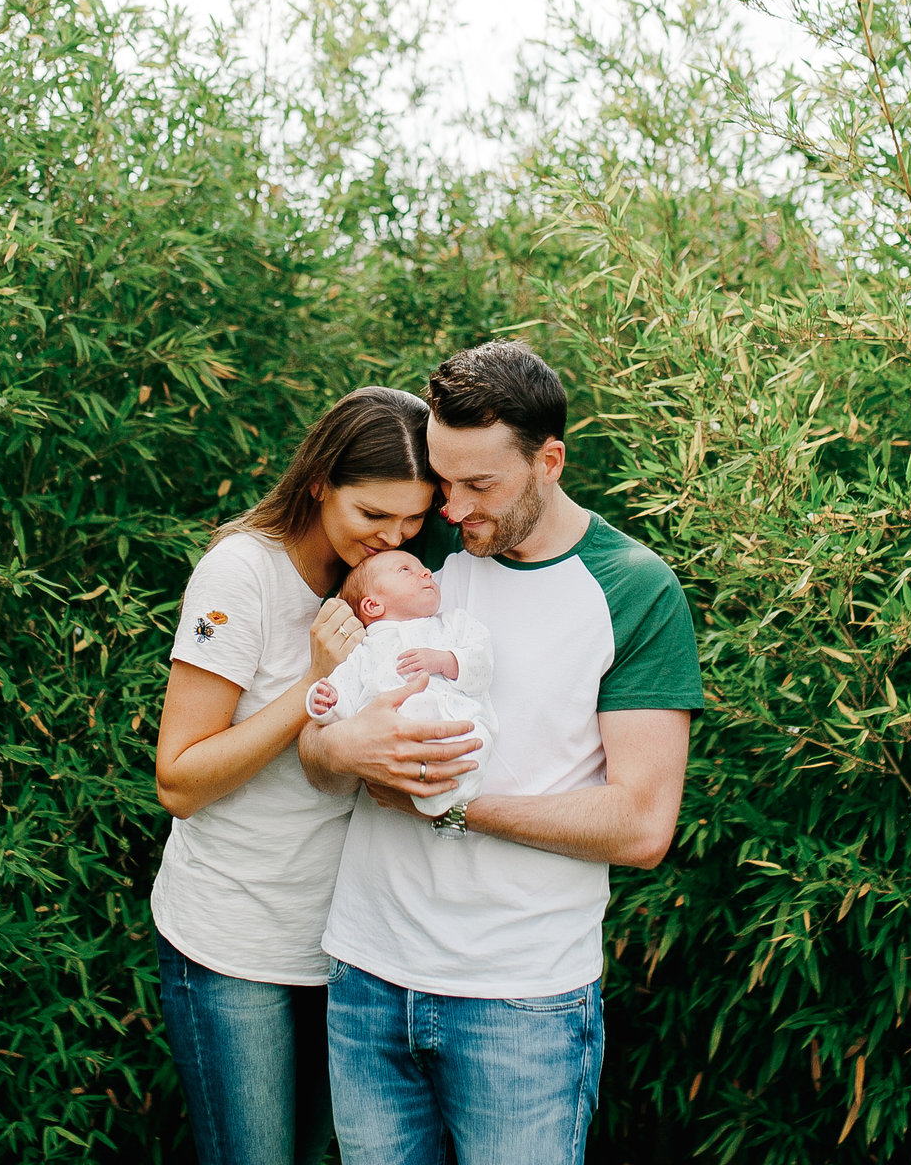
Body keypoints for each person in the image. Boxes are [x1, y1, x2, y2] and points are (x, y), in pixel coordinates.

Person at [300, 341, 704, 1165]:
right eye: (443, 480)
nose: (448, 509)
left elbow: (641, 824)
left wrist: (448, 802)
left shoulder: (632, 588)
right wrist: (349, 749)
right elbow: (314, 750)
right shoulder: (421, 561)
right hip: (369, 974)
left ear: (549, 460)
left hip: (520, 1002)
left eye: (479, 484)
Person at [151, 386, 439, 1165]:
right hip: (233, 944)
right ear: (319, 481)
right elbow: (177, 779)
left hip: (348, 948)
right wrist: (312, 685)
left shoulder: (406, 580)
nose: (394, 538)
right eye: (373, 516)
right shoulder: (241, 573)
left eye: (412, 519)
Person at [303, 549, 496, 818]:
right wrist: (324, 701)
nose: (426, 572)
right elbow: (344, 699)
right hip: (395, 746)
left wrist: (445, 660)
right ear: (373, 605)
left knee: (476, 742)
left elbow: (482, 666)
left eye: (422, 567)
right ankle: (429, 799)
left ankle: (452, 804)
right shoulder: (363, 651)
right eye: (405, 570)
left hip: (457, 727)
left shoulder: (452, 625)